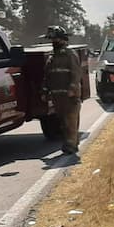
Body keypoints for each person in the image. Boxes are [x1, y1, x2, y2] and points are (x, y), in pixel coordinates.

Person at [42, 26, 83, 156]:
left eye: (55, 39)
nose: (53, 42)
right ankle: (70, 143)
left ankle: (71, 145)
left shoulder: (70, 54)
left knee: (70, 120)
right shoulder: (52, 57)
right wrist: (44, 91)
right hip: (57, 96)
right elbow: (47, 75)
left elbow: (76, 73)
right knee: (63, 122)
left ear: (63, 40)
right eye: (52, 39)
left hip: (69, 96)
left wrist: (72, 89)